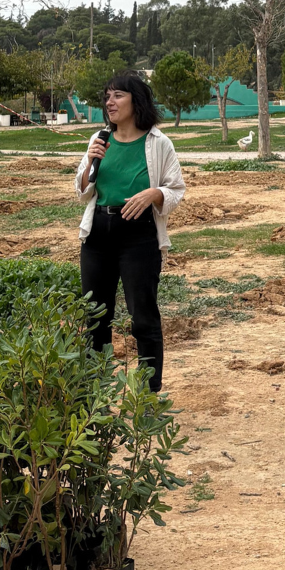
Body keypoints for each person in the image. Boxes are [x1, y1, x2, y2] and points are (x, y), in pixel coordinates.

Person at [75, 72, 186, 392]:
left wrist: (155, 194)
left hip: (138, 236)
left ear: (136, 101)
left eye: (117, 95)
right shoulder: (100, 139)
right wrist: (89, 165)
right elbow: (82, 192)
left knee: (143, 317)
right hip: (97, 233)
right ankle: (92, 391)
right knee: (95, 316)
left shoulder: (158, 142)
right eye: (107, 96)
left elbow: (176, 189)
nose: (109, 102)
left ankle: (148, 394)